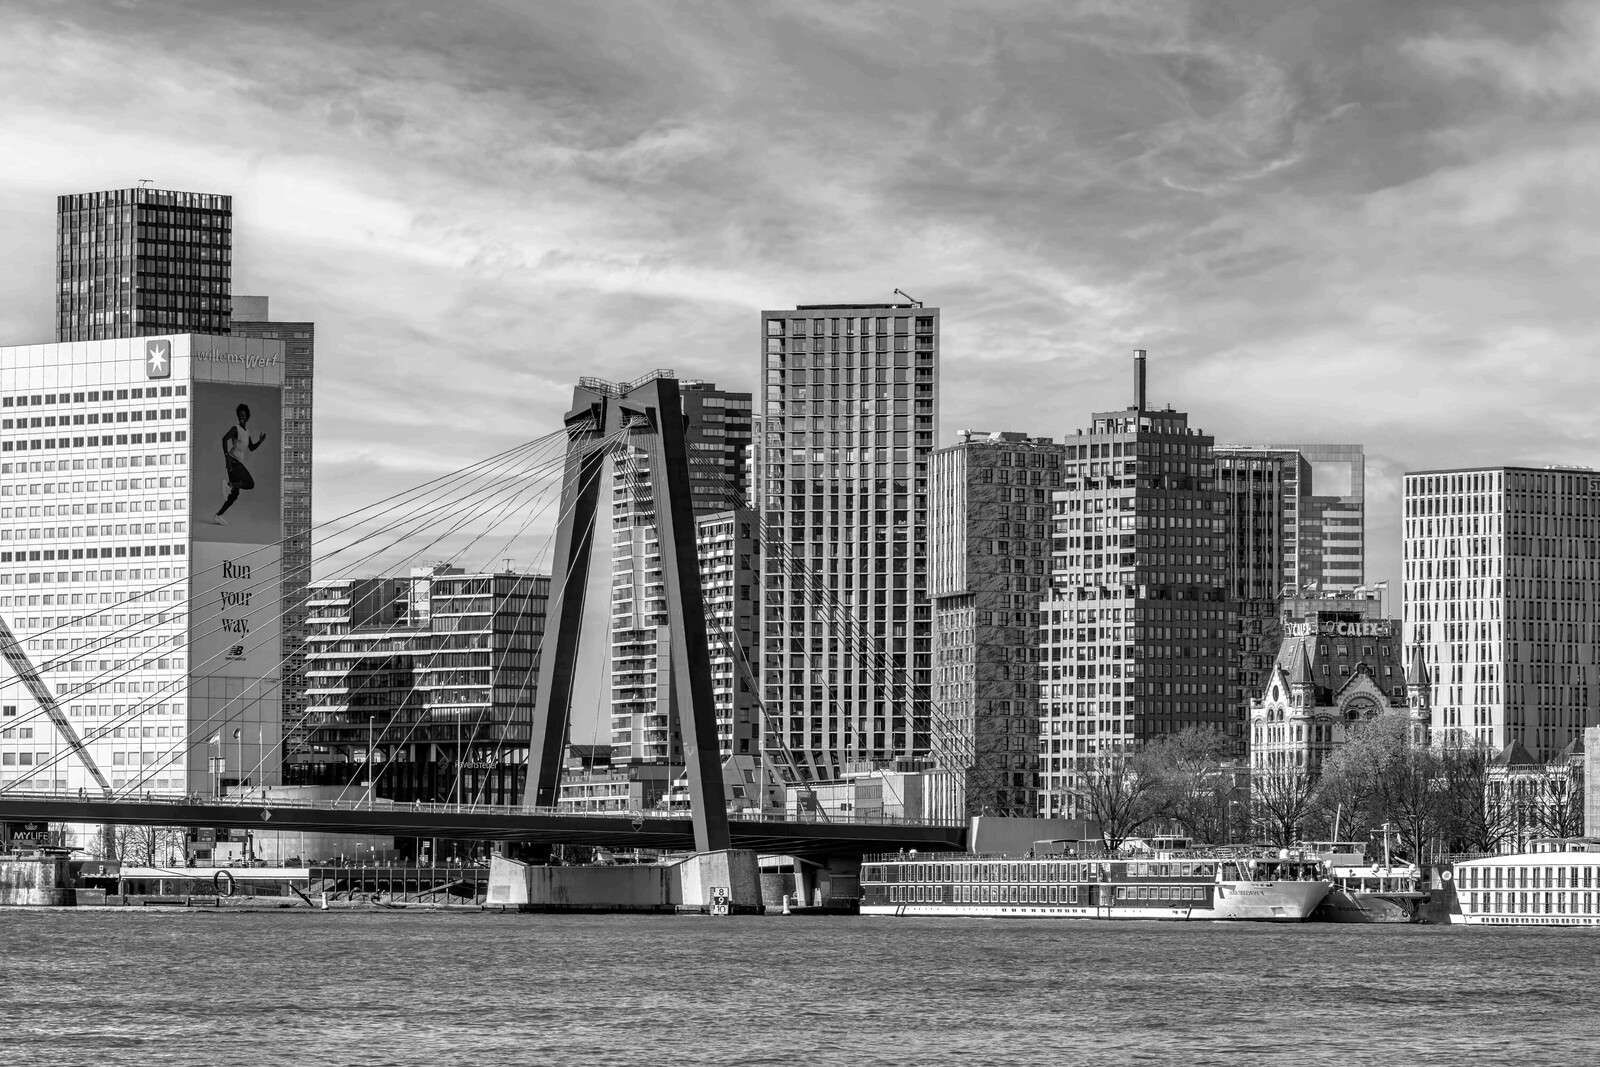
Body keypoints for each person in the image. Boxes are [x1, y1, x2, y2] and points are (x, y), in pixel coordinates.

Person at [212, 402, 268, 526]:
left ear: (247, 417)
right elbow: (224, 439)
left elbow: (252, 448)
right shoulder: (235, 428)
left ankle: (218, 515)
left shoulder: (247, 432)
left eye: (244, 415)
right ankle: (229, 484)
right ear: (238, 416)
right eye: (240, 415)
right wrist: (226, 456)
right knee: (250, 483)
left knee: (234, 495)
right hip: (233, 461)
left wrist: (260, 441)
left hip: (237, 462)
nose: (241, 417)